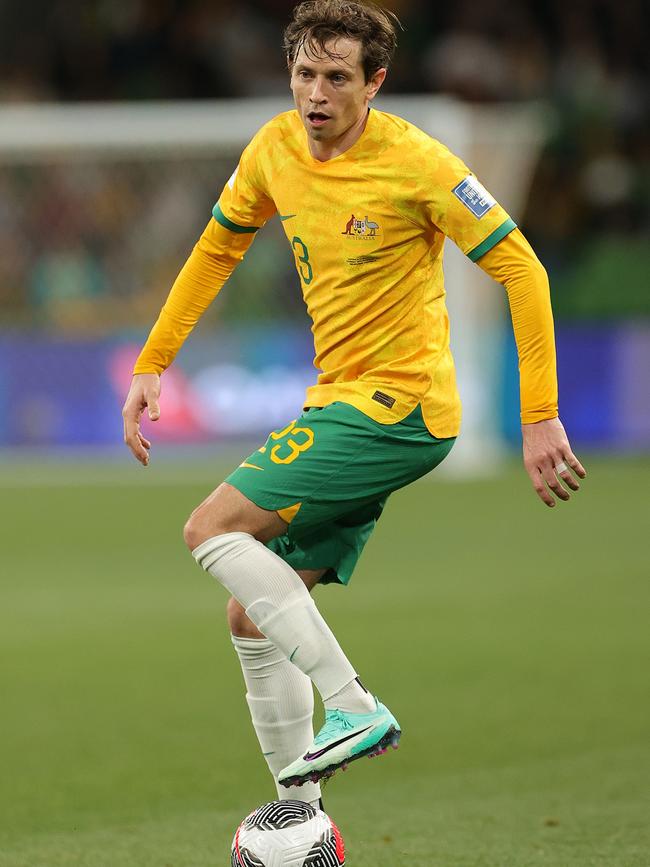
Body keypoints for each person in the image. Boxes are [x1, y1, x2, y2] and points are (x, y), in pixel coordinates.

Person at [122, 0, 586, 810]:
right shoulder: (273, 148)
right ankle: (300, 821)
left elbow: (524, 270)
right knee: (251, 615)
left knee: (210, 527)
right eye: (305, 73)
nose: (317, 93)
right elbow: (217, 246)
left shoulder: (421, 163)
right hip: (343, 399)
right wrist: (153, 360)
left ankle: (354, 703)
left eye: (338, 77)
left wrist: (539, 413)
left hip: (401, 407)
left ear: (375, 82)